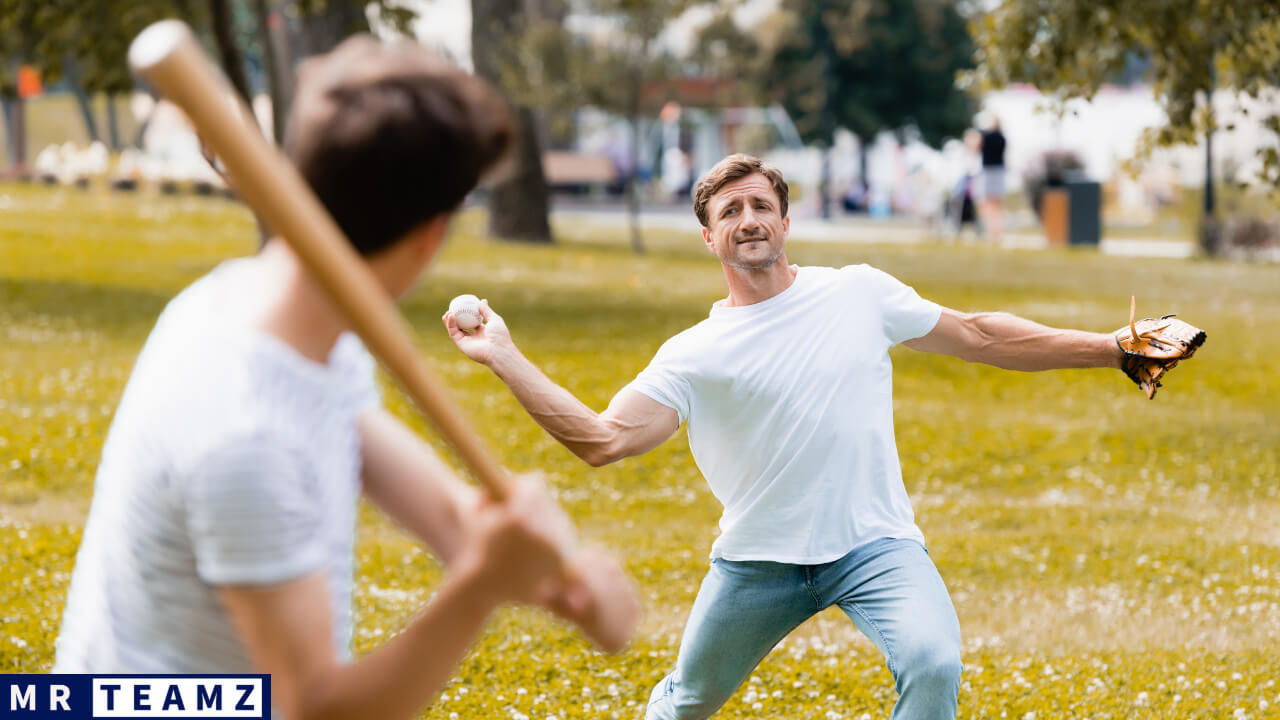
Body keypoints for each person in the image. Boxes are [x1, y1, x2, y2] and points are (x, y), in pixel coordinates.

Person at [53, 36, 636, 720]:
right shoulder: (243, 432)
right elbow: (315, 708)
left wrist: (555, 579)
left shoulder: (287, 319)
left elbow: (449, 513)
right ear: (432, 235)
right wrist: (479, 588)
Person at [444, 153, 1130, 720]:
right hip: (758, 562)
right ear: (709, 238)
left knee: (934, 663)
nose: (748, 221)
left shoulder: (858, 292)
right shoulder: (695, 352)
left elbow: (980, 334)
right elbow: (602, 439)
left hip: (874, 546)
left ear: (785, 221)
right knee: (685, 704)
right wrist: (503, 354)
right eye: (730, 212)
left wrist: (1113, 348)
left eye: (760, 206)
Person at [979, 115, 1008, 242]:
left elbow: (975, 147)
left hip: (988, 171)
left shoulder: (985, 136)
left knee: (987, 203)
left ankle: (992, 231)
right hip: (1000, 171)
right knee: (997, 204)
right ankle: (997, 231)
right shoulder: (1002, 138)